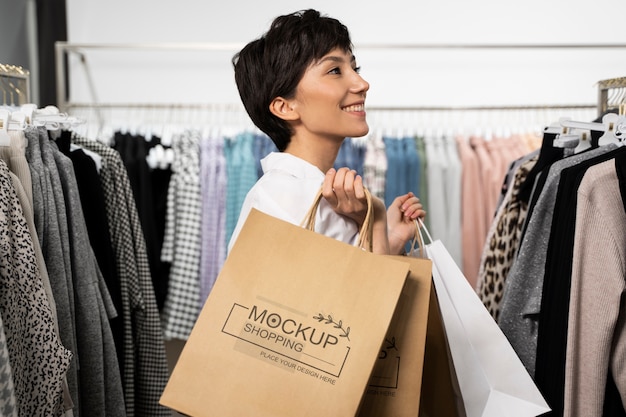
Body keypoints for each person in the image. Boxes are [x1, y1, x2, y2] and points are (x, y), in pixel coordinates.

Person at [228, 9, 425, 255]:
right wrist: (374, 220)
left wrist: (389, 240)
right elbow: (359, 294)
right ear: (285, 106)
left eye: (356, 68)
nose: (362, 84)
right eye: (335, 71)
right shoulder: (284, 198)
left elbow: (347, 288)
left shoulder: (309, 193)